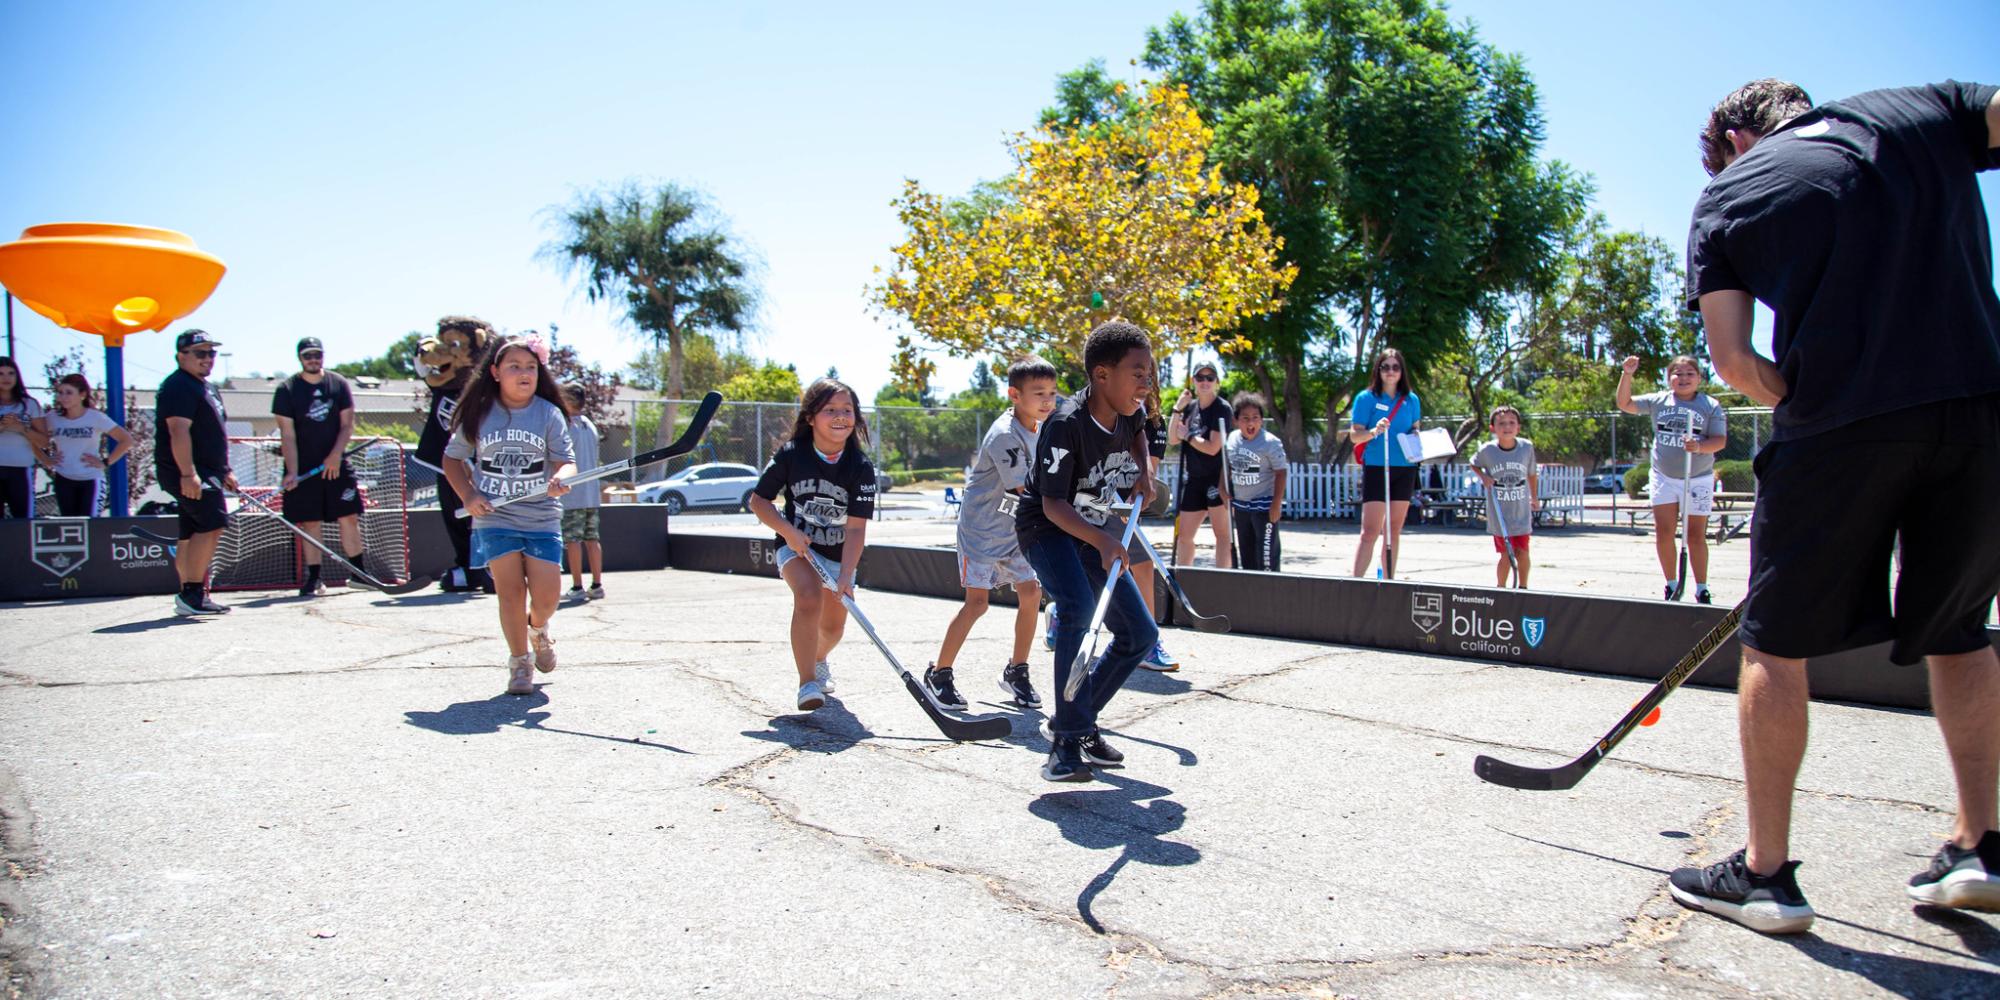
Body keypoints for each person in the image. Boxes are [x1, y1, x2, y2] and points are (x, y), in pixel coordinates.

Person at [1669, 78, 2000, 933]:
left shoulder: (1728, 195)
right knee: (1961, 631)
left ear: (1738, 138)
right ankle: (1979, 844)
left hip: (1837, 427)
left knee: (1775, 645)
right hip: (1977, 410)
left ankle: (1768, 876)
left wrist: (1812, 398)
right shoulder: (1920, 106)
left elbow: (1736, 361)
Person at [1015, 321, 1159, 782]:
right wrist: (1104, 541)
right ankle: (1065, 746)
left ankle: (1075, 720)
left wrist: (1144, 472)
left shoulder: (1129, 409)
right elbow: (1053, 504)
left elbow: (1139, 430)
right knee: (1077, 609)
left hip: (1093, 527)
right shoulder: (1065, 424)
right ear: (1102, 375)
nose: (1146, 383)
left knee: (1139, 634)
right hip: (1048, 527)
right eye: (1137, 373)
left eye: (1149, 373)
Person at [442, 334, 576, 696]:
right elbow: (452, 459)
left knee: (548, 595)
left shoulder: (548, 414)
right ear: (496, 372)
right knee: (510, 592)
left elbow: (567, 462)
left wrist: (560, 478)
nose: (524, 373)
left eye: (531, 367)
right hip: (495, 517)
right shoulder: (480, 412)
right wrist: (469, 495)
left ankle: (538, 629)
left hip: (541, 516)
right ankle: (519, 663)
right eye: (514, 366)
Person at [925, 357, 1060, 710]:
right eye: (1038, 393)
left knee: (1031, 593)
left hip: (1015, 531)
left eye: (1051, 392)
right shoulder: (1005, 435)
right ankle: (938, 673)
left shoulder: (1042, 428)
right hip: (982, 533)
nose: (1048, 400)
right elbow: (1026, 492)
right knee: (978, 604)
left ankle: (1017, 671)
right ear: (1015, 395)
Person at [749, 378, 877, 712]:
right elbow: (759, 502)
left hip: (837, 555)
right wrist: (787, 531)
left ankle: (819, 659)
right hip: (797, 547)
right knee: (807, 597)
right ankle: (807, 683)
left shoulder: (861, 468)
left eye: (847, 410)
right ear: (810, 417)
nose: (840, 416)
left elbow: (856, 529)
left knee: (833, 627)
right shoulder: (792, 455)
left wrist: (847, 574)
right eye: (830, 409)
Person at [1617, 354, 1728, 603]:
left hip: (1697, 478)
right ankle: (1671, 584)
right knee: (1664, 531)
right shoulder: (1659, 401)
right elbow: (1625, 403)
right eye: (1677, 373)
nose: (1683, 378)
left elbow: (1719, 441)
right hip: (1663, 477)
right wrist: (1627, 374)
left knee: (1696, 535)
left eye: (1690, 373)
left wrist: (1699, 447)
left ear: (1699, 378)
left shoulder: (1710, 405)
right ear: (1669, 378)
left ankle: (1701, 588)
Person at [272, 337, 372, 596]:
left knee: (348, 516)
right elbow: (288, 435)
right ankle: (315, 577)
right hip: (305, 466)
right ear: (300, 359)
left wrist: (336, 455)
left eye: (317, 355)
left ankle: (359, 573)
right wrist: (292, 471)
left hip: (336, 464)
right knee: (310, 522)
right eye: (308, 356)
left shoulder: (337, 384)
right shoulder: (287, 389)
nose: (313, 359)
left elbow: (347, 425)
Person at [156, 330, 238, 616]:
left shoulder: (207, 387)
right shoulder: (178, 385)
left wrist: (225, 469)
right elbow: (178, 430)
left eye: (211, 353)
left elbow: (213, 432)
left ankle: (188, 593)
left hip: (210, 470)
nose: (208, 359)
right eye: (200, 353)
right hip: (191, 470)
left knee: (190, 532)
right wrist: (188, 473)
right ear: (181, 356)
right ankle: (192, 593)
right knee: (212, 524)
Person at [414, 316, 494, 593]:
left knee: (481, 516)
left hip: (478, 465)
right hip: (446, 462)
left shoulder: (484, 387)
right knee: (454, 514)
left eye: (455, 344)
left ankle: (487, 566)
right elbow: (424, 367)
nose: (447, 351)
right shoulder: (445, 383)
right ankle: (466, 565)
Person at [1349, 348, 1422, 578]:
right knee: (1370, 530)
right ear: (1378, 370)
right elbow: (1355, 435)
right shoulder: (1366, 398)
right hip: (1378, 467)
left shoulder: (1411, 400)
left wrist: (1419, 437)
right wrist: (1374, 431)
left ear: (1402, 371)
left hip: (1405, 467)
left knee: (1393, 530)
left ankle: (1389, 580)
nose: (1391, 372)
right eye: (1386, 367)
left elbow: (1415, 430)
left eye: (1395, 367)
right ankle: (1356, 580)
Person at [1168, 360, 1232, 570]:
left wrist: (1188, 436)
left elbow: (1213, 447)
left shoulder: (1222, 408)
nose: (1205, 382)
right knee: (1184, 535)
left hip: (1216, 478)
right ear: (1193, 381)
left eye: (1209, 378)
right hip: (1194, 479)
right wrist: (1178, 409)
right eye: (1200, 377)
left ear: (1216, 382)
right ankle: (1184, 577)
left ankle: (1223, 578)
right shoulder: (1191, 408)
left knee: (1222, 534)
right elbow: (1173, 439)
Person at [39, 374, 132, 517]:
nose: (64, 397)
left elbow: (126, 440)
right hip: (64, 478)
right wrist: (46, 459)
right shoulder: (53, 417)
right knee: (71, 524)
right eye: (60, 393)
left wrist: (105, 462)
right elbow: (33, 437)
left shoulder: (95, 417)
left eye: (69, 393)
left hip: (91, 479)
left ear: (82, 394)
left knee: (91, 525)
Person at [1470, 405, 1538, 588]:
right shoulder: (1487, 450)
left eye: (1511, 423)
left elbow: (1532, 474)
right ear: (1493, 427)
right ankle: (1501, 589)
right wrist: (1484, 477)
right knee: (1506, 554)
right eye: (1501, 423)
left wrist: (1535, 498)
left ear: (1518, 427)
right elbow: (1473, 464)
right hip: (1499, 513)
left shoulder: (1526, 448)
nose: (1507, 427)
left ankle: (1523, 587)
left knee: (1523, 550)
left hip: (1520, 511)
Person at [1224, 392, 1287, 572]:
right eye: (1245, 418)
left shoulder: (1270, 442)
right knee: (1247, 555)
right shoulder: (1232, 439)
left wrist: (1276, 504)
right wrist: (1222, 486)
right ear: (1236, 420)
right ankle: (1250, 594)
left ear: (1261, 419)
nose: (1250, 423)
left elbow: (1281, 472)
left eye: (1255, 418)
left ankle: (1270, 593)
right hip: (1242, 506)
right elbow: (1226, 465)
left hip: (1264, 507)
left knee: (1266, 556)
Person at [559, 384, 606, 602]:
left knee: (573, 541)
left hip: (573, 495)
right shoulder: (589, 425)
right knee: (592, 539)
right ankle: (597, 585)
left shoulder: (567, 425)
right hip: (591, 494)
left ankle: (577, 586)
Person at [0, 356, 50, 519]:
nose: (6, 378)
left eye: (10, 373)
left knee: (24, 521)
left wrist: (21, 428)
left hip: (21, 469)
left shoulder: (30, 404)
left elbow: (44, 441)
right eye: (1, 374)